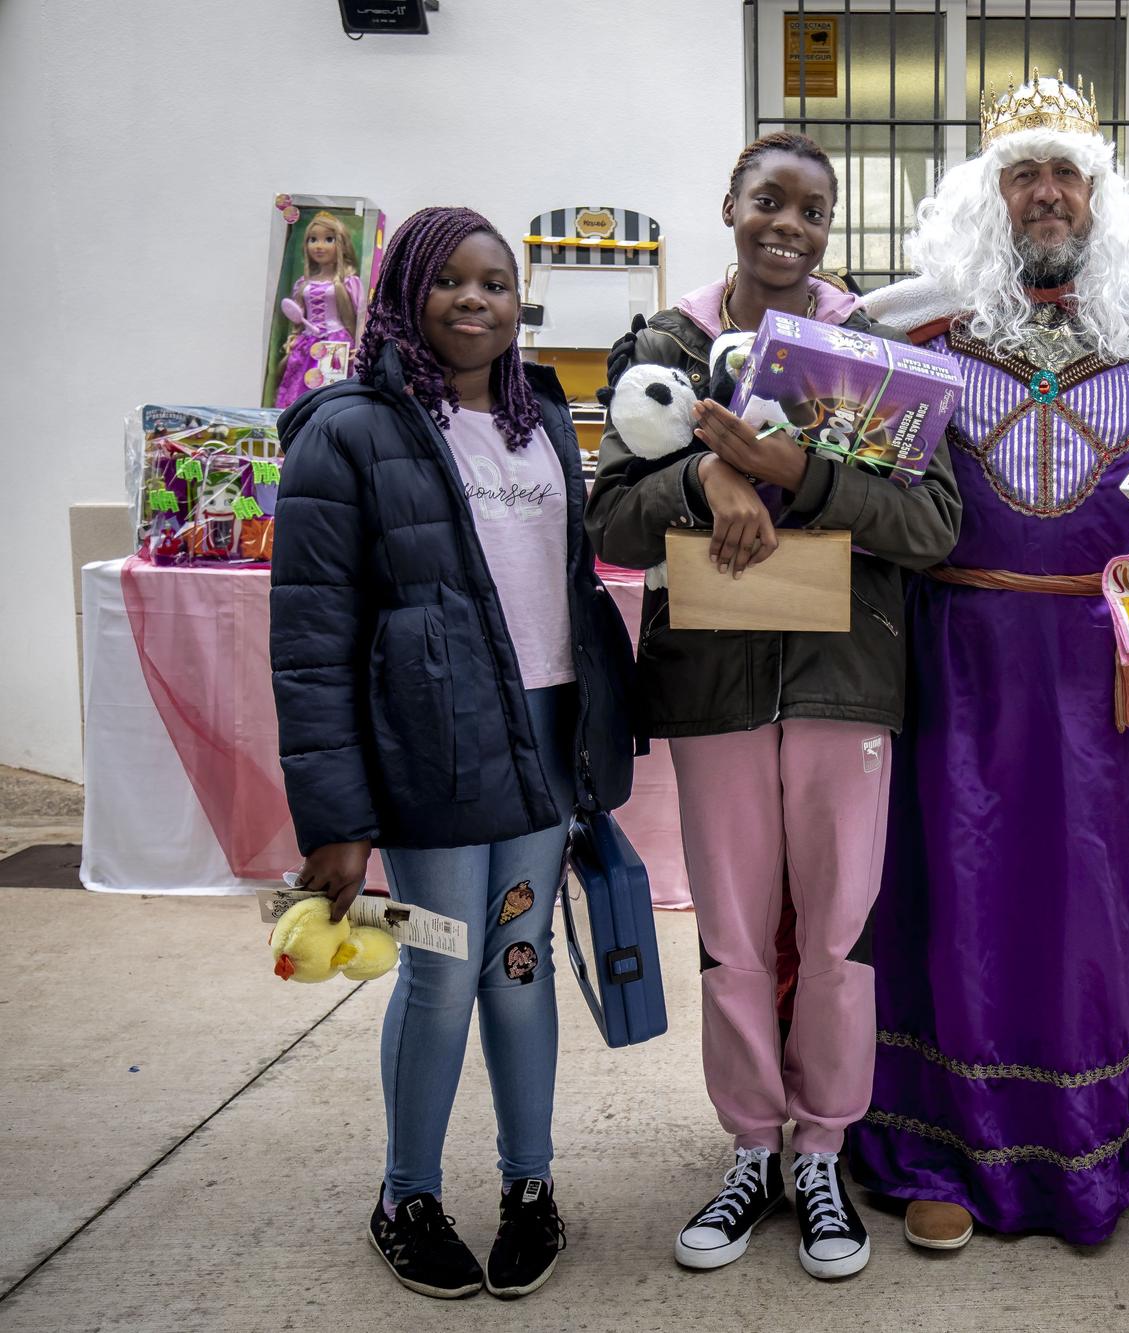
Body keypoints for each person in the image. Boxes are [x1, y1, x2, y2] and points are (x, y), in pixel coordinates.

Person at [850, 74, 1129, 1250]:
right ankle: (943, 1146)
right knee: (951, 898)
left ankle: (1090, 1148)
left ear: (1098, 195)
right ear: (989, 198)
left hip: (1109, 677)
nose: (1045, 193)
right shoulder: (919, 338)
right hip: (954, 665)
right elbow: (819, 407)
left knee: (1092, 908)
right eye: (1022, 174)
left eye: (1064, 173)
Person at [586, 132, 962, 1281]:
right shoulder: (663, 347)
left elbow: (932, 526)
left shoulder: (873, 350)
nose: (786, 225)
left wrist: (799, 475)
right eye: (766, 201)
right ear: (729, 206)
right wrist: (706, 476)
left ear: (830, 226)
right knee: (733, 935)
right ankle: (751, 1144)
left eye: (810, 208)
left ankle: (823, 1150)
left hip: (848, 681)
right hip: (711, 683)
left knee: (840, 934)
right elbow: (607, 524)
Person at [271, 206, 637, 1301]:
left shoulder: (540, 421)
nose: (477, 300)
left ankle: (530, 1187)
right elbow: (310, 641)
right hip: (429, 755)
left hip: (536, 747)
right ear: (405, 291)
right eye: (451, 281)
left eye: (497, 283)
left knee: (516, 974)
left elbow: (565, 588)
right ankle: (407, 1195)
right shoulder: (347, 430)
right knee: (437, 974)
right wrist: (335, 819)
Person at [276, 211, 366, 408]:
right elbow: (297, 317)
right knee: (298, 388)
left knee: (329, 393)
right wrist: (294, 336)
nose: (319, 245)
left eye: (328, 239)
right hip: (307, 344)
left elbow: (361, 316)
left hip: (336, 343)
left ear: (340, 244)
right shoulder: (303, 283)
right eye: (313, 239)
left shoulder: (349, 282)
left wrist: (360, 346)